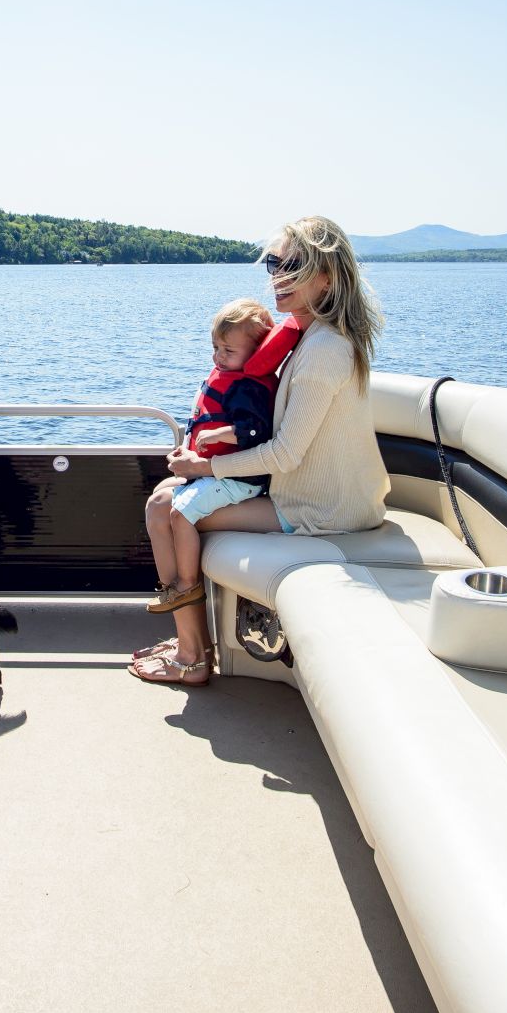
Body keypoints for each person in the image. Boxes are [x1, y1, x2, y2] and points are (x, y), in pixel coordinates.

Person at [131, 214, 390, 685]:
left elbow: (285, 454)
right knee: (164, 497)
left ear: (327, 277)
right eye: (273, 263)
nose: (277, 276)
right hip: (301, 490)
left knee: (169, 509)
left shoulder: (325, 349)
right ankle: (193, 643)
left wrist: (207, 466)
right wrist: (211, 457)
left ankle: (191, 656)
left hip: (323, 507)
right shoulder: (308, 336)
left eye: (293, 264)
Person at [143, 298, 302, 615]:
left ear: (255, 354)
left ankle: (187, 587)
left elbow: (257, 431)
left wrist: (218, 435)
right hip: (220, 474)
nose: (219, 357)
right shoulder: (231, 376)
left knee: (179, 512)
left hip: (240, 480)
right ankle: (175, 588)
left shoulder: (249, 387)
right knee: (160, 495)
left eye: (229, 351)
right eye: (216, 348)